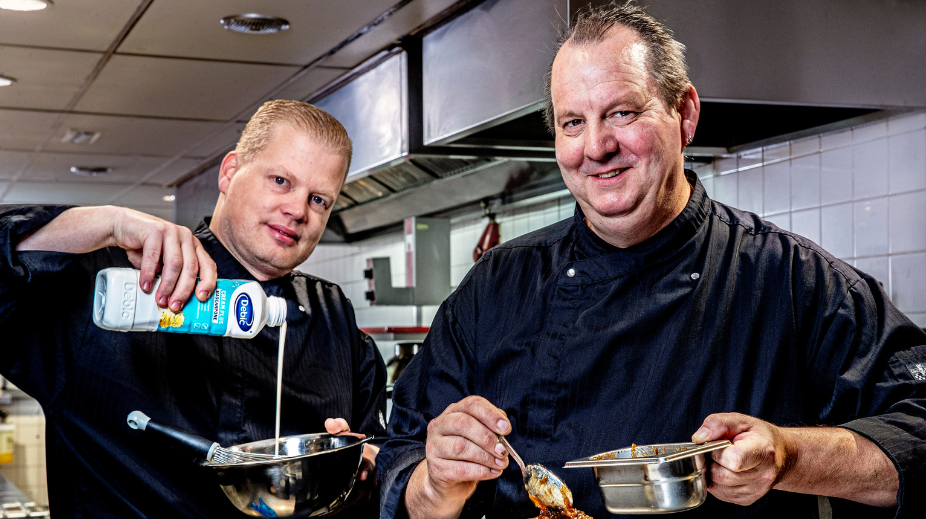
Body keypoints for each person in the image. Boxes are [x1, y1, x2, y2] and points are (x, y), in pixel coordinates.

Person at [377, 3, 926, 518]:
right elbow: (399, 468)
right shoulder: (494, 288)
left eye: (621, 112)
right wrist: (437, 482)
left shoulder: (790, 278)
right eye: (573, 122)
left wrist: (789, 456)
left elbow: (918, 431)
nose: (595, 146)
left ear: (684, 115)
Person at [0, 100, 387, 518]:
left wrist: (358, 470)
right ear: (229, 172)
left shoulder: (333, 318)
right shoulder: (117, 286)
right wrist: (107, 223)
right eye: (280, 180)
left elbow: (376, 465)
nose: (297, 211)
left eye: (318, 200)